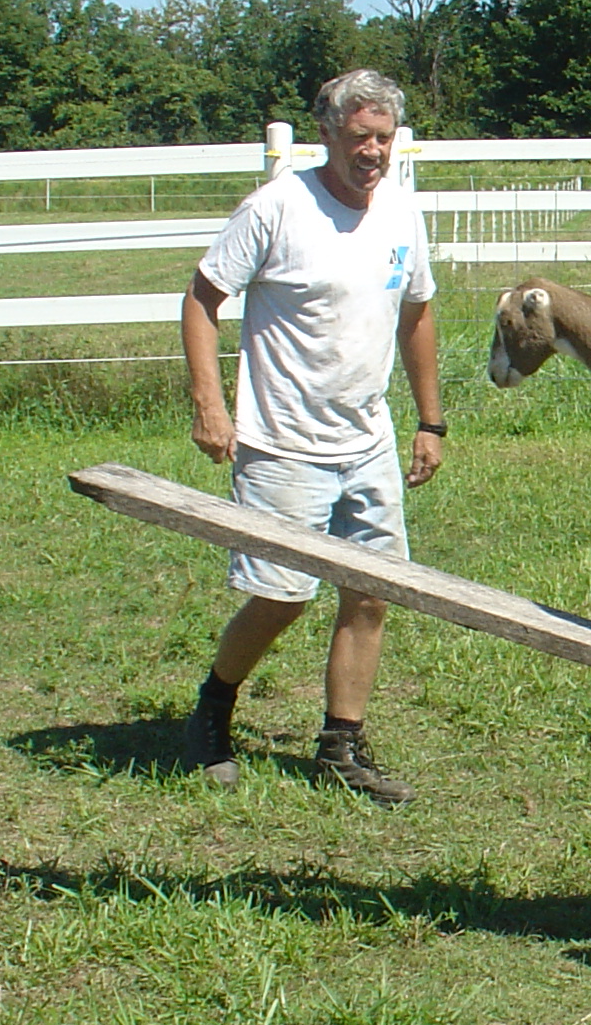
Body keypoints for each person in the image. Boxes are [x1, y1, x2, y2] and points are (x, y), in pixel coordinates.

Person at [177, 70, 444, 805]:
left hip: (367, 442)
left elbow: (416, 312)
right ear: (326, 134)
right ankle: (213, 708)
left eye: (384, 138)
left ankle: (341, 744)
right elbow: (202, 299)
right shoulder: (277, 208)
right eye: (360, 137)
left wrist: (429, 420)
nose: (373, 152)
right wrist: (210, 405)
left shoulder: (400, 213)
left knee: (371, 593)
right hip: (281, 441)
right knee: (282, 595)